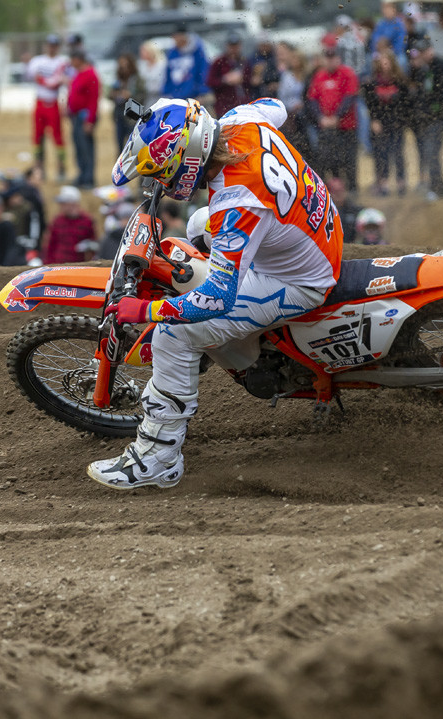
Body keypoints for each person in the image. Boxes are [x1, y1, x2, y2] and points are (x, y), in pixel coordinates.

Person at [91, 96, 343, 489]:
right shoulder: (240, 120)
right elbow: (274, 104)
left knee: (173, 335)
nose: (162, 183)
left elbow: (216, 298)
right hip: (315, 225)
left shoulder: (235, 203)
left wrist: (145, 311)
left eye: (164, 173)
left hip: (299, 280)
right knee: (195, 225)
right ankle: (223, 345)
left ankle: (158, 459)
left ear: (189, 159)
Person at [307, 46, 359, 192]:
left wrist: (336, 117)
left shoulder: (347, 73)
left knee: (349, 159)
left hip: (346, 126)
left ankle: (352, 188)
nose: (330, 61)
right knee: (331, 160)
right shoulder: (319, 76)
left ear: (339, 58)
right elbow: (312, 99)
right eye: (328, 58)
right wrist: (320, 118)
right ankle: (337, 190)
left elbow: (350, 97)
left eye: (333, 58)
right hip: (327, 127)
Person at [408, 38, 443, 200]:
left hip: (438, 118)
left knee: (432, 152)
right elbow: (417, 90)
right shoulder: (421, 68)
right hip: (426, 119)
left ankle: (438, 188)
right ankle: (436, 186)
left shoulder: (439, 67)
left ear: (430, 50)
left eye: (423, 52)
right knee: (429, 153)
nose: (421, 55)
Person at [362, 49, 410, 196]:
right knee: (380, 153)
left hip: (396, 122)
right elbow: (370, 103)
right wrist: (374, 120)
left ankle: (401, 182)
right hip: (379, 123)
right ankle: (382, 182)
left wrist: (401, 120)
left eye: (387, 60)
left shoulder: (400, 81)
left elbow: (405, 102)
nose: (385, 64)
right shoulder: (372, 82)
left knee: (398, 153)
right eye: (382, 61)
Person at [26, 35, 67, 181]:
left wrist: (43, 80)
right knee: (37, 137)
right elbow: (30, 76)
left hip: (53, 103)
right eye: (50, 44)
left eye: (54, 45)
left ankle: (61, 168)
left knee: (58, 137)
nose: (52, 47)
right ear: (46, 46)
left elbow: (59, 81)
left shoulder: (62, 62)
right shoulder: (37, 61)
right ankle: (39, 168)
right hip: (40, 102)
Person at [66, 50, 99, 189]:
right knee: (79, 148)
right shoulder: (78, 74)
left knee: (86, 148)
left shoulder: (90, 74)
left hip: (84, 117)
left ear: (79, 59)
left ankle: (88, 178)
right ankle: (82, 175)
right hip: (76, 117)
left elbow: (93, 99)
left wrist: (89, 121)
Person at [43, 185, 96, 263]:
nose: (61, 206)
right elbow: (50, 246)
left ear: (73, 204)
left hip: (78, 268)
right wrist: (47, 264)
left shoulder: (87, 221)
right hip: (57, 267)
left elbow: (93, 245)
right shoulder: (57, 221)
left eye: (64, 203)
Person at [207, 32, 251, 118]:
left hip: (243, 104)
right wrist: (225, 80)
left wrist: (242, 79)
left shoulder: (244, 61)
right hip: (224, 106)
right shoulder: (219, 62)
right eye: (231, 46)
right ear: (227, 46)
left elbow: (251, 79)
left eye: (236, 45)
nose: (234, 48)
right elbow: (210, 81)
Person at [0, 193, 33, 266]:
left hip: (11, 265)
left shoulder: (7, 224)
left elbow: (12, 248)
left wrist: (5, 266)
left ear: (1, 208)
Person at [163, 23, 209, 100]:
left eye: (177, 37)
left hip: (194, 95)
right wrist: (167, 92)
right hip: (176, 95)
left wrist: (202, 91)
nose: (175, 40)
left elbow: (203, 71)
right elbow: (168, 74)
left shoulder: (196, 51)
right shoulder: (172, 53)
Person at [109, 54, 144, 152]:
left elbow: (142, 95)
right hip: (119, 114)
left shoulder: (137, 79)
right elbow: (110, 95)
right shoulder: (118, 79)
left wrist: (130, 96)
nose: (123, 68)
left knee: (133, 144)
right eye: (121, 66)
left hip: (132, 116)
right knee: (119, 145)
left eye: (126, 65)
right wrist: (116, 94)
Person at [371, 2, 407, 70]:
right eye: (385, 8)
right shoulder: (380, 24)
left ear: (394, 10)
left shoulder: (399, 25)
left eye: (389, 8)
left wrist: (390, 51)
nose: (386, 11)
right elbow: (375, 39)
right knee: (370, 60)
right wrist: (379, 47)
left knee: (402, 61)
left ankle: (401, 79)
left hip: (395, 53)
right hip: (380, 51)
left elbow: (401, 42)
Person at [138, 41, 166, 107]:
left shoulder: (162, 64)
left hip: (160, 96)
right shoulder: (141, 65)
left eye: (144, 51)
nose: (141, 53)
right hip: (147, 97)